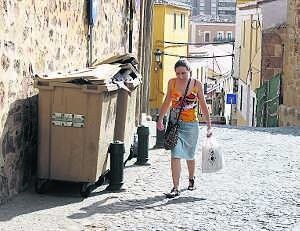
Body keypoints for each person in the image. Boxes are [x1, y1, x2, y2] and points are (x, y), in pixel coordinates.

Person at [157, 59, 212, 198]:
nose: (180, 76)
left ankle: (191, 179)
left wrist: (209, 124)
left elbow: (203, 105)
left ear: (189, 71)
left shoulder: (196, 84)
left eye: (183, 73)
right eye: (178, 73)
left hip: (192, 124)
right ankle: (175, 187)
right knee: (175, 155)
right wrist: (160, 119)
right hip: (175, 124)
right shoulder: (172, 82)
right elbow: (167, 101)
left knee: (190, 155)